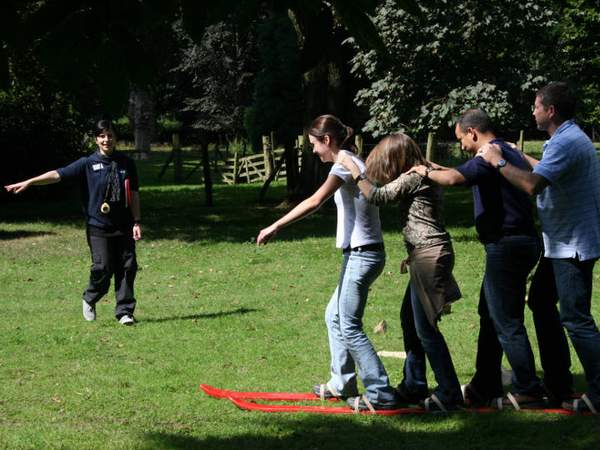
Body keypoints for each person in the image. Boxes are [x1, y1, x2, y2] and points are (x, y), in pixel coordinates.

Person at [256, 114, 397, 412]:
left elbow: (314, 201)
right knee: (334, 315)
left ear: (327, 140)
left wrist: (275, 226)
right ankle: (342, 382)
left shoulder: (344, 164)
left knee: (349, 325)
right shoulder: (348, 160)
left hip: (364, 254)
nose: (313, 151)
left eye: (314, 145)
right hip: (359, 253)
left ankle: (380, 392)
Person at [411, 108, 547, 409]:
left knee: (505, 321)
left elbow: (453, 179)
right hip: (519, 242)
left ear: (472, 132)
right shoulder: (507, 150)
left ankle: (529, 388)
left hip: (506, 245)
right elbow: (459, 171)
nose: (462, 145)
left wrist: (424, 173)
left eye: (462, 139)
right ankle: (485, 383)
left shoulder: (487, 155)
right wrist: (429, 165)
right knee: (490, 313)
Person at [478, 82, 600, 414]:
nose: (532, 110)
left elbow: (532, 185)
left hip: (571, 245)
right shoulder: (567, 139)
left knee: (575, 318)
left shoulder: (567, 142)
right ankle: (558, 385)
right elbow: (544, 168)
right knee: (542, 303)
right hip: (558, 242)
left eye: (535, 105)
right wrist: (512, 154)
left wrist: (497, 162)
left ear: (550, 110)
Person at [338, 133, 464, 412]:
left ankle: (450, 393)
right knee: (409, 320)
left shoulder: (414, 177)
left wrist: (354, 168)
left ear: (398, 158)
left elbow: (377, 196)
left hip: (429, 257)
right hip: (425, 256)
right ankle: (414, 384)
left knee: (426, 329)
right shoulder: (423, 171)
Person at [5, 119, 142, 325]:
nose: (107, 139)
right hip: (98, 226)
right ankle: (90, 297)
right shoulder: (87, 164)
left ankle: (124, 312)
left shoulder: (126, 163)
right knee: (102, 267)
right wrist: (30, 182)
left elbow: (134, 193)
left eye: (110, 135)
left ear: (116, 138)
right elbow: (57, 174)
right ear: (96, 139)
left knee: (127, 267)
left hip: (123, 224)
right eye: (102, 136)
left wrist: (137, 221)